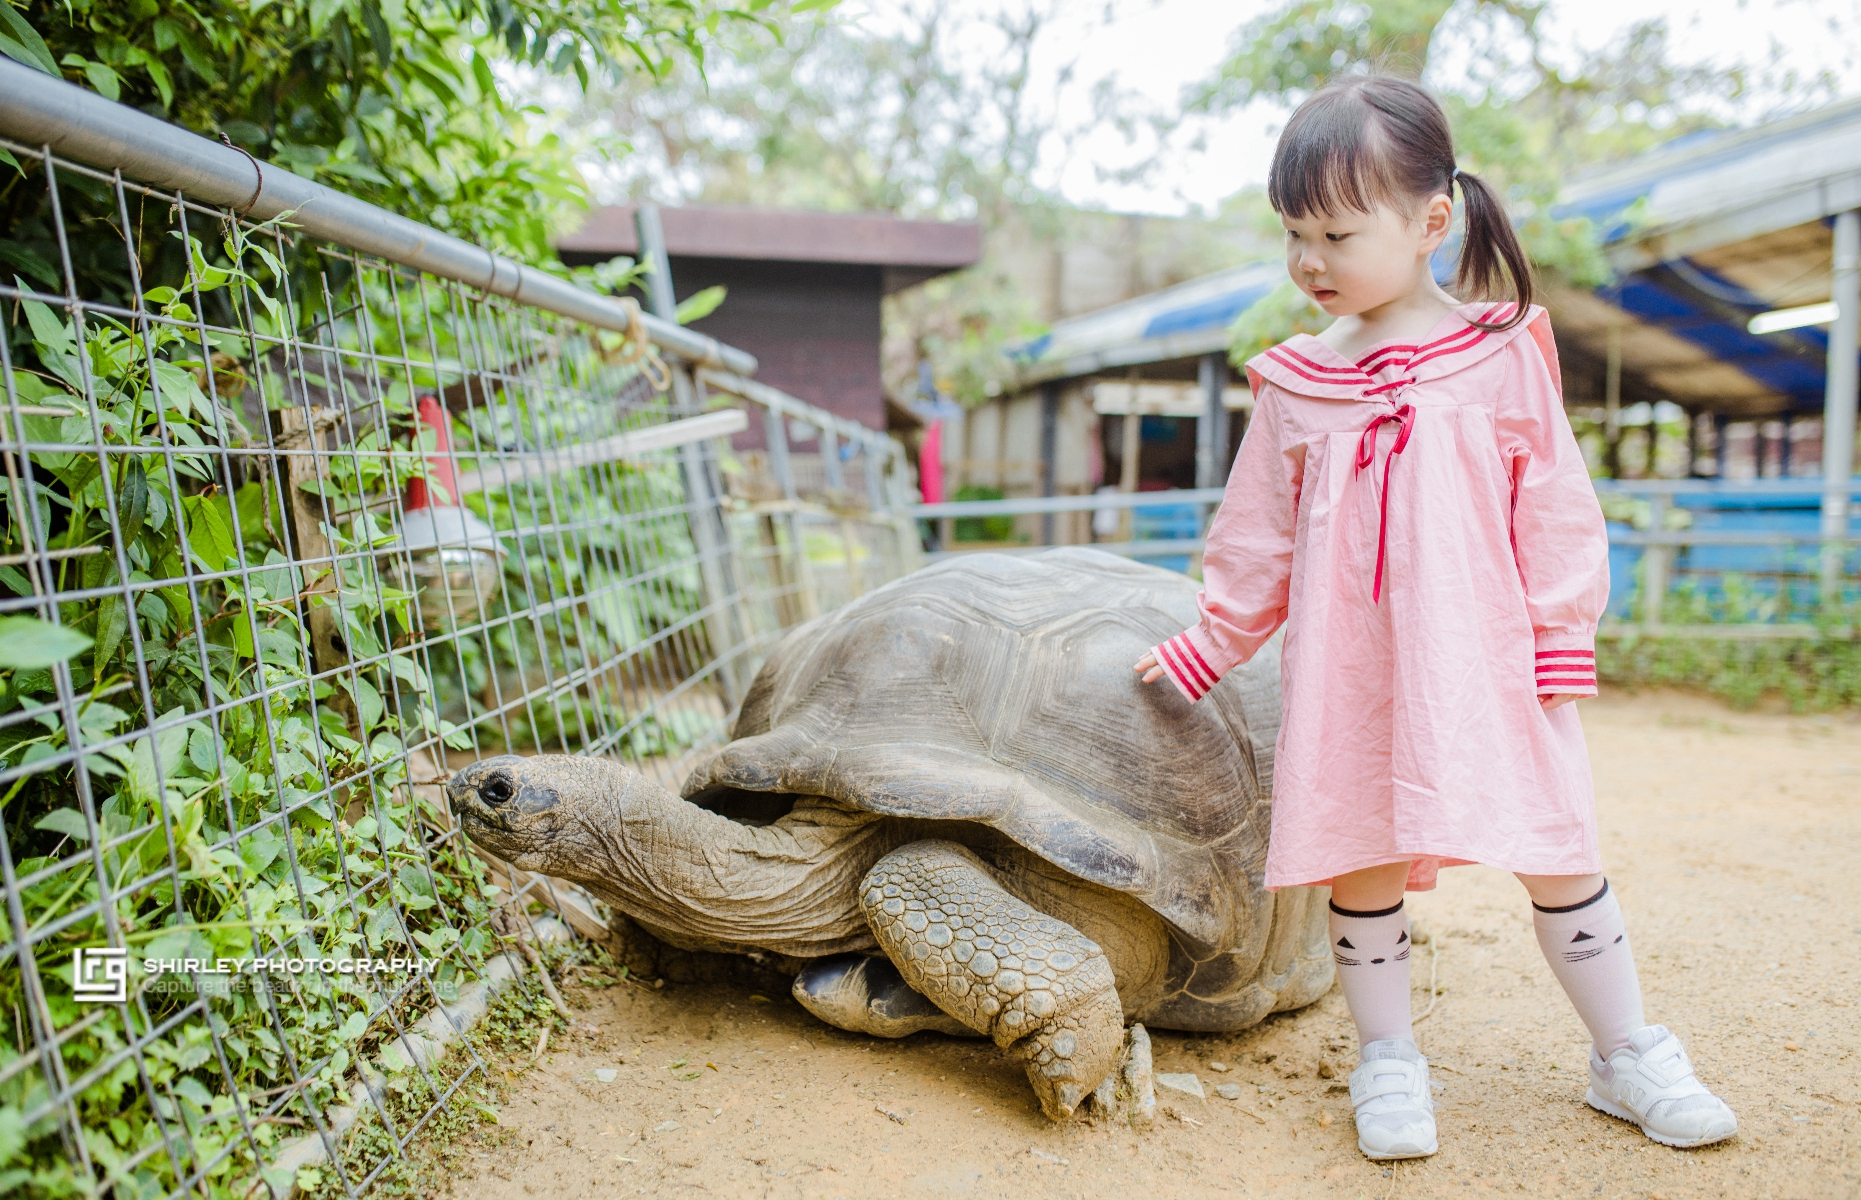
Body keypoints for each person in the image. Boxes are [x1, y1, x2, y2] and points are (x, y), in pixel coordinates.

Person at [1133, 74, 1736, 1161]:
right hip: (1352, 674)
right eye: (1291, 234)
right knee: (1362, 858)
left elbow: (1554, 502)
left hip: (1489, 663)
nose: (1308, 261)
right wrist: (1209, 642)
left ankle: (1627, 1050)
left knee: (1558, 848)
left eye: (1334, 231)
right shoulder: (1296, 386)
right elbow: (1255, 537)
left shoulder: (1503, 351)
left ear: (1430, 222)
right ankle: (1388, 1061)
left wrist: (1560, 634)